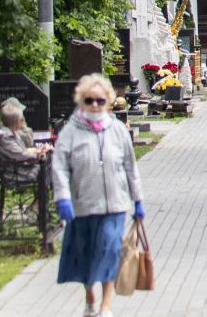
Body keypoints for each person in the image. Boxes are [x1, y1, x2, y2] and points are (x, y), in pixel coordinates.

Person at [51, 75, 144, 317]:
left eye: (100, 101)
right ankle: (90, 297)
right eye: (89, 100)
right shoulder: (71, 131)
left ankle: (105, 306)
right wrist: (63, 198)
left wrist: (138, 201)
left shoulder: (117, 131)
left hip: (115, 205)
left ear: (108, 102)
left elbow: (130, 166)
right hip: (83, 204)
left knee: (109, 251)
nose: (94, 105)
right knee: (88, 254)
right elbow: (59, 166)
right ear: (82, 101)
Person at [0, 97, 50, 182]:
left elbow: (20, 151)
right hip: (18, 173)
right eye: (21, 119)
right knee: (51, 163)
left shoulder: (10, 132)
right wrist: (39, 155)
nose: (23, 120)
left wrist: (38, 151)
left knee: (52, 159)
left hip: (19, 169)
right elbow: (20, 155)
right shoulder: (5, 137)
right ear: (14, 120)